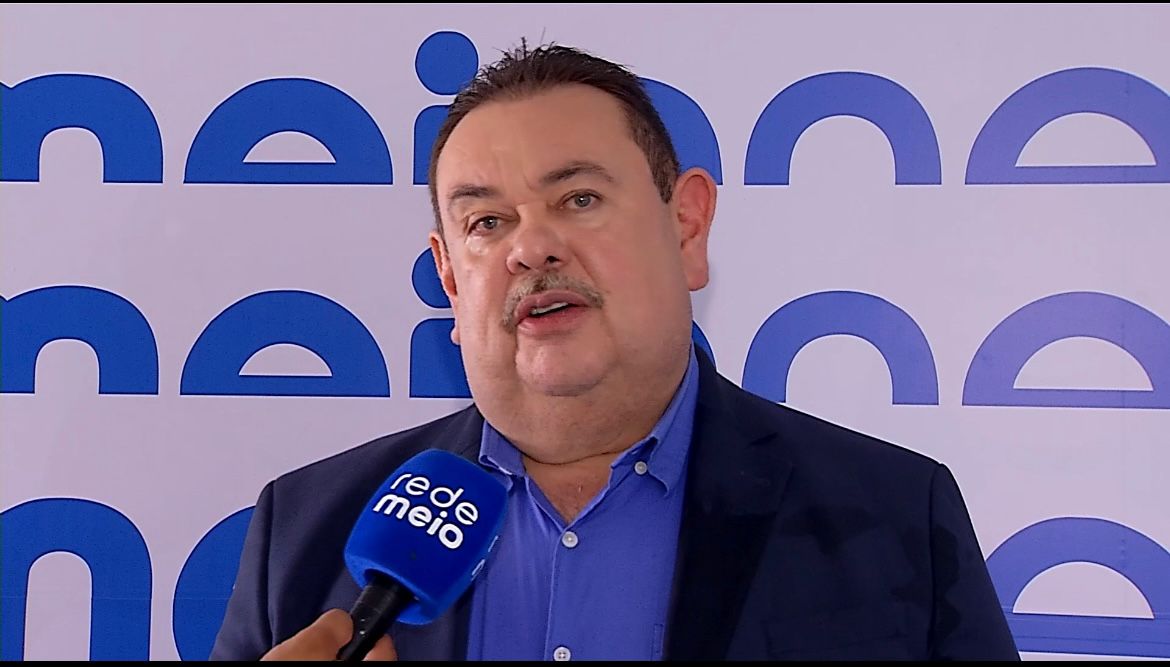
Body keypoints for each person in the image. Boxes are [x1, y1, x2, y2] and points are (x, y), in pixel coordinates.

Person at [211, 41, 1019, 661]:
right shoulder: (306, 532)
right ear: (451, 278)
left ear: (687, 227)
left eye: (579, 198)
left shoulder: (893, 515)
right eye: (487, 221)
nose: (531, 248)